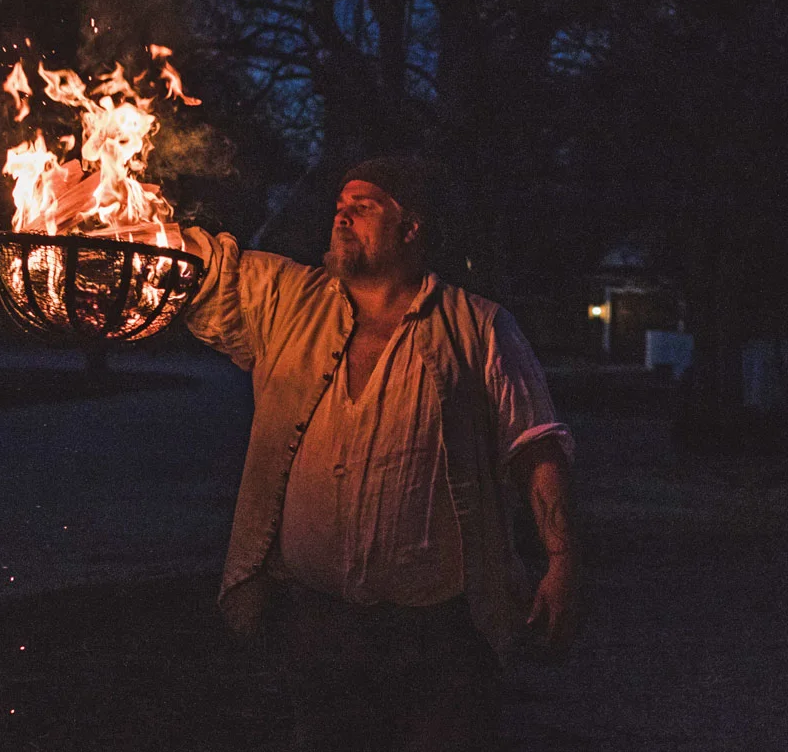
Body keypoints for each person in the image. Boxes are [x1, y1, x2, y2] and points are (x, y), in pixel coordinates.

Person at [181, 158, 577, 752]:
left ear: (411, 228)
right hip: (319, 626)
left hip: (441, 637)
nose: (341, 216)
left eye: (362, 208)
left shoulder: (480, 327)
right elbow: (206, 269)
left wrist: (563, 558)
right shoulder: (287, 301)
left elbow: (536, 444)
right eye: (339, 206)